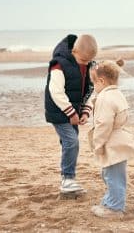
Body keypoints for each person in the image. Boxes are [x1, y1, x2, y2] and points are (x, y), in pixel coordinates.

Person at [45, 34, 98, 193]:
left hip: (74, 113)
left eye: (89, 61)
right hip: (59, 112)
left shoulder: (89, 65)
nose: (86, 64)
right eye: (83, 60)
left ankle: (68, 180)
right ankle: (68, 179)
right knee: (72, 142)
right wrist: (71, 113)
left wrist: (86, 111)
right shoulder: (59, 65)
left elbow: (91, 90)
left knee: (69, 144)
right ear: (74, 51)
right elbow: (56, 92)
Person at [89, 60, 134, 218]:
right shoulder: (117, 93)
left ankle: (114, 209)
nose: (93, 88)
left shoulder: (105, 98)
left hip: (111, 141)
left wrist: (98, 144)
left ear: (102, 81)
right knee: (111, 174)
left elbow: (103, 124)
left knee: (113, 176)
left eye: (94, 83)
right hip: (119, 139)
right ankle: (109, 201)